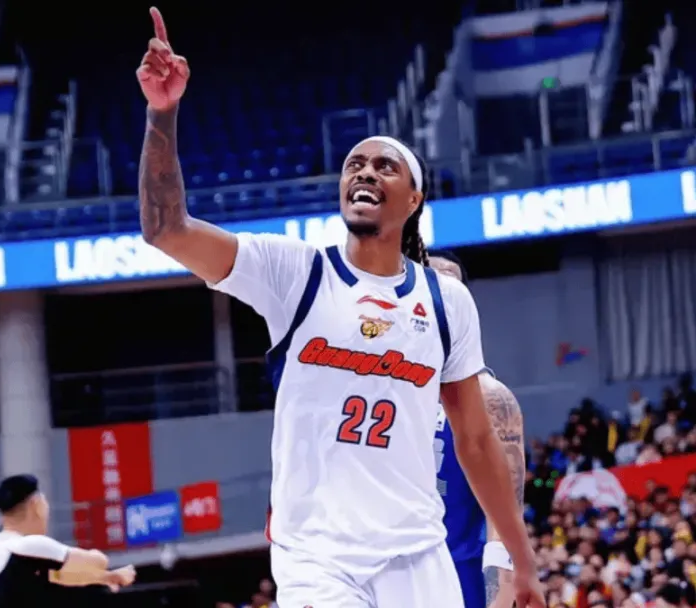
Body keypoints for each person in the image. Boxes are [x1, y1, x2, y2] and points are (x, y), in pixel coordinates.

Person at [135, 8, 544, 607]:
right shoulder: (295, 271)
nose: (365, 172)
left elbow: (477, 442)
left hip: (416, 553)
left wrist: (522, 561)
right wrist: (162, 113)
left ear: (414, 197)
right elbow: (166, 229)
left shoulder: (446, 300)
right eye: (355, 164)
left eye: (385, 165)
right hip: (317, 557)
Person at [428, 251, 525, 608]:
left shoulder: (490, 398)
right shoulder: (381, 386)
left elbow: (505, 514)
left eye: (450, 279)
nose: (442, 285)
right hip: (387, 568)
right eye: (432, 277)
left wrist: (500, 591)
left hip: (458, 572)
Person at [0, 474, 135, 608]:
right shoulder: (29, 545)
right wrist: (98, 559)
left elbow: (59, 575)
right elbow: (98, 562)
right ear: (36, 505)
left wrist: (106, 577)